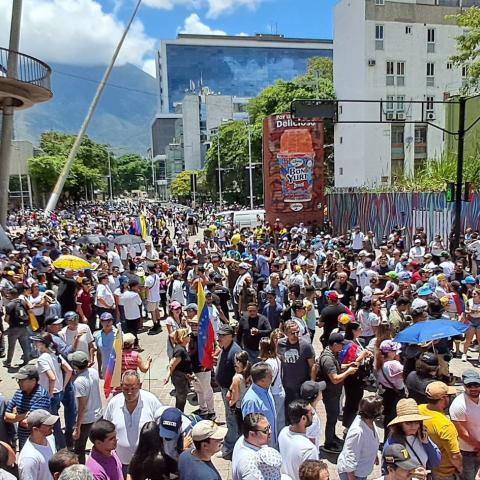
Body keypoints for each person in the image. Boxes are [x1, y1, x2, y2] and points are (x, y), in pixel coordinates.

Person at [103, 370, 162, 473]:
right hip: (121, 463)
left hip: (145, 463)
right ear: (121, 386)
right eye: (126, 389)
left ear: (140, 385)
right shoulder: (114, 403)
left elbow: (161, 425)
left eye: (133, 388)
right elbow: (106, 428)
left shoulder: (151, 401)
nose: (129, 393)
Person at [316, 332, 358, 452]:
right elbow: (334, 379)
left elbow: (338, 366)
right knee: (332, 418)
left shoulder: (332, 353)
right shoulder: (328, 359)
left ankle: (332, 437)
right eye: (341, 345)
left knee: (333, 418)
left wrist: (348, 365)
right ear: (334, 344)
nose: (343, 347)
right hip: (331, 393)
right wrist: (349, 372)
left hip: (334, 393)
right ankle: (328, 444)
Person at [32, 332, 73, 450]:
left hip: (51, 395)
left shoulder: (42, 359)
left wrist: (49, 393)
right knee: (55, 422)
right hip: (59, 392)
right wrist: (63, 386)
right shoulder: (56, 355)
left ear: (42, 343)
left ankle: (60, 448)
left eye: (37, 341)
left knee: (53, 424)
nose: (35, 344)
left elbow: (52, 378)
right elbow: (69, 370)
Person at [418, 381, 463, 479]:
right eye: (449, 395)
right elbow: (455, 456)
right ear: (443, 399)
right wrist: (460, 468)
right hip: (443, 473)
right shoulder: (445, 425)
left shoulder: (418, 409)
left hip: (424, 466)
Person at [384, 398, 441, 472]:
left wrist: (427, 443)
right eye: (408, 423)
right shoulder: (392, 443)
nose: (414, 426)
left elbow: (436, 462)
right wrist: (412, 473)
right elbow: (387, 470)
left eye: (416, 422)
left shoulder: (422, 436)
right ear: (400, 424)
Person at [4, 364, 50, 450]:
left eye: (22, 380)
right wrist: (23, 415)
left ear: (33, 380)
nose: (19, 382)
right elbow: (6, 416)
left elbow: (26, 423)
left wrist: (15, 417)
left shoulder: (41, 395)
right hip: (22, 440)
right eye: (18, 380)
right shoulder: (19, 393)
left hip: (37, 441)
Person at [337, 395, 383, 480]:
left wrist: (374, 455)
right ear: (374, 412)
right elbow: (351, 454)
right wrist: (351, 476)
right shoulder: (357, 432)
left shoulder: (369, 421)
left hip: (362, 470)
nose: (382, 408)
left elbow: (370, 440)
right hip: (354, 474)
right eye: (380, 407)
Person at [68, 351, 102, 464]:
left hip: (86, 420)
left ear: (75, 366)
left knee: (79, 448)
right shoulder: (93, 372)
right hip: (98, 415)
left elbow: (82, 406)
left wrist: (77, 427)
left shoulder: (79, 382)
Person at [215, 323, 242, 460]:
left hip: (231, 392)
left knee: (231, 420)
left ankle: (229, 448)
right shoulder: (225, 348)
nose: (219, 338)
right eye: (219, 335)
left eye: (222, 336)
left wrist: (232, 393)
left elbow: (239, 376)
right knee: (230, 419)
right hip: (225, 389)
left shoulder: (235, 352)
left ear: (231, 337)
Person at [276, 320, 315, 410]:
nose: (296, 335)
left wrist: (311, 383)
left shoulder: (306, 346)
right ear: (286, 333)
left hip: (301, 387)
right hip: (286, 386)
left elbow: (312, 366)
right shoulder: (280, 344)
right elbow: (278, 361)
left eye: (297, 332)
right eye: (292, 333)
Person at [450, 369, 480, 480]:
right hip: (468, 451)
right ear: (464, 386)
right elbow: (462, 433)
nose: (473, 388)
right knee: (470, 477)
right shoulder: (459, 405)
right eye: (469, 385)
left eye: (476, 384)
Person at [278, 400, 319, 480]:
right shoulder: (309, 449)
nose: (313, 416)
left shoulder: (283, 432)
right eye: (311, 414)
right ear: (303, 418)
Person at [241, 362, 277, 447]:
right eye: (270, 376)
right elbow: (251, 427)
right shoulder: (251, 401)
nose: (273, 377)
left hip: (271, 443)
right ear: (262, 380)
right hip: (261, 447)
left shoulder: (266, 389)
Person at [18, 409, 58, 480]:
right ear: (35, 429)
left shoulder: (50, 438)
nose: (52, 426)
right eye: (48, 424)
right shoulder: (29, 458)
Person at [231, 413, 272, 480]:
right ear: (252, 434)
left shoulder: (243, 439)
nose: (270, 431)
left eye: (269, 426)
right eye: (265, 430)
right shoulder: (251, 467)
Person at [259, 334, 286, 432]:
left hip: (274, 395)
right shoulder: (276, 359)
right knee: (280, 421)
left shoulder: (268, 364)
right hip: (280, 392)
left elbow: (266, 382)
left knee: (272, 423)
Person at [376, 339, 405, 428]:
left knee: (388, 419)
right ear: (389, 353)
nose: (396, 352)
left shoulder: (379, 362)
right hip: (396, 393)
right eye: (394, 350)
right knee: (394, 420)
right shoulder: (393, 364)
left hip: (386, 392)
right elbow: (405, 374)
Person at [164, 328, 192, 412]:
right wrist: (167, 376)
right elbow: (172, 364)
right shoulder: (180, 350)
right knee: (181, 398)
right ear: (182, 337)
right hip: (179, 378)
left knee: (181, 397)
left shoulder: (182, 348)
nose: (189, 336)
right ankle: (179, 413)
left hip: (183, 376)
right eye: (187, 335)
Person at [3, 286, 31, 368]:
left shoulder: (9, 305)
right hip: (24, 328)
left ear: (12, 295)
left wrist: (11, 323)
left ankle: (8, 362)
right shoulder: (24, 302)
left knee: (11, 346)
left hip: (14, 328)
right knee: (25, 345)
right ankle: (26, 361)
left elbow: (6, 319)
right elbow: (30, 313)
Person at [227, 351, 251, 431]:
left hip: (240, 408)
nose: (235, 363)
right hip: (250, 406)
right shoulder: (250, 374)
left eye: (237, 361)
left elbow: (235, 397)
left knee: (241, 431)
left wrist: (230, 404)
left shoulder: (237, 378)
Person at [299, 380, 326, 450]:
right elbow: (311, 441)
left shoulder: (300, 409)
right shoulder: (313, 417)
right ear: (315, 396)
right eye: (319, 391)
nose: (321, 392)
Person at [93, 313, 117, 379]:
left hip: (117, 367)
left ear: (112, 321)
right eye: (104, 321)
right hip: (105, 367)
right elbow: (99, 353)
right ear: (101, 322)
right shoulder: (97, 335)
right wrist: (99, 368)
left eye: (109, 321)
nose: (107, 323)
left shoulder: (118, 334)